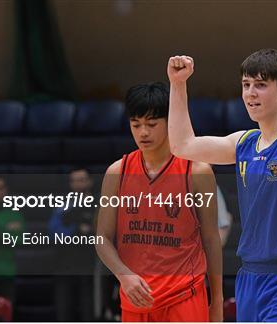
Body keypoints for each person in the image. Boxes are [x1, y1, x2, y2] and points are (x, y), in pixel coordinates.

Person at [167, 19, 277, 321]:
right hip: (250, 278)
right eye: (246, 85)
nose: (250, 93)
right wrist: (178, 84)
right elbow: (182, 145)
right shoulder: (244, 143)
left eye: (261, 85)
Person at [95, 82, 223, 322]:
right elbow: (102, 239)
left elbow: (211, 238)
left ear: (169, 121)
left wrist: (216, 301)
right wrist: (124, 276)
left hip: (185, 296)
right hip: (136, 298)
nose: (143, 132)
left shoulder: (197, 171)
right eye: (136, 124)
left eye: (152, 124)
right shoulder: (117, 172)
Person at [48, 167, 96, 321]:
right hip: (65, 264)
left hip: (90, 265)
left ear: (89, 182)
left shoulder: (100, 205)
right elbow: (53, 231)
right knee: (64, 310)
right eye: (74, 181)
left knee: (89, 309)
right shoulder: (63, 206)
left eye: (81, 180)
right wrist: (75, 231)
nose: (78, 184)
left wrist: (91, 232)